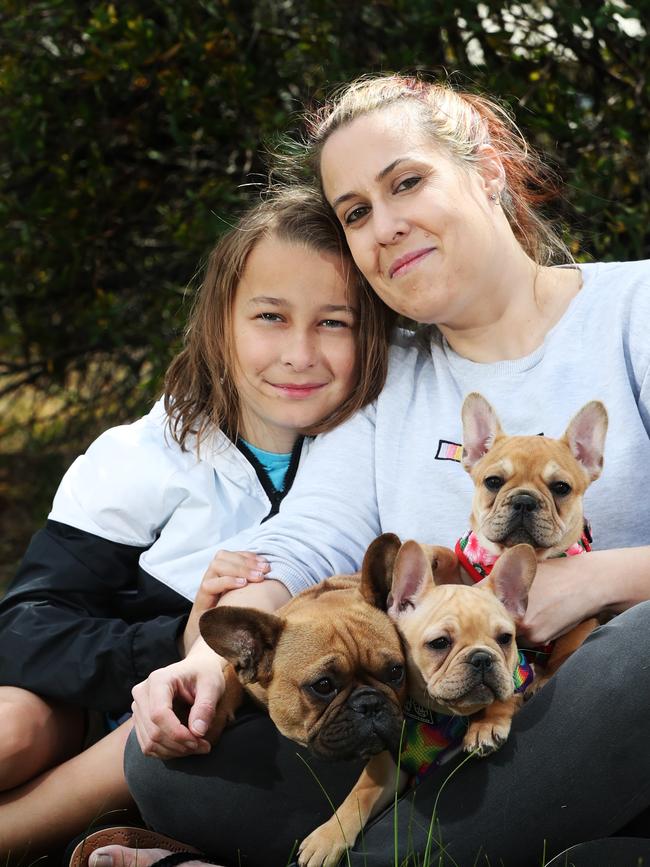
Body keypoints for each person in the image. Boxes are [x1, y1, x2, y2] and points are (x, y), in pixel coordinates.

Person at [86, 73, 650, 867]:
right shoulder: (394, 376)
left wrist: (593, 583)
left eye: (406, 183)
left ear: (486, 169)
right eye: (356, 213)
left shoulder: (636, 309)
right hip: (427, 725)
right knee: (172, 768)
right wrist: (210, 660)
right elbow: (305, 539)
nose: (384, 227)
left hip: (593, 705)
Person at [0, 184, 394, 859]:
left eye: (335, 322)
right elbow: (24, 631)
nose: (300, 353)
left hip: (279, 711)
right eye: (270, 316)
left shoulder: (378, 451)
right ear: (221, 322)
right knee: (8, 732)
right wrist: (180, 638)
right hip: (96, 696)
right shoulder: (144, 457)